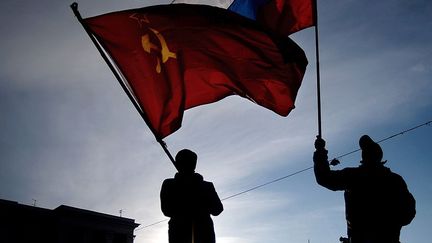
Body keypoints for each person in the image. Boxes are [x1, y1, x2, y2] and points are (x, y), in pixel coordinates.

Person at [313, 135, 416, 243]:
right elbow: (408, 213)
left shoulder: (354, 176)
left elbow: (324, 177)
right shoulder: (395, 180)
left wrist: (320, 151)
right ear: (379, 157)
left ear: (364, 157)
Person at [160, 149, 224, 243]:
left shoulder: (207, 186)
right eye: (185, 162)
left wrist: (199, 202)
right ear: (178, 164)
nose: (189, 164)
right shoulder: (169, 184)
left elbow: (218, 209)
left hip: (204, 233)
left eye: (191, 162)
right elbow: (166, 210)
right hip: (179, 233)